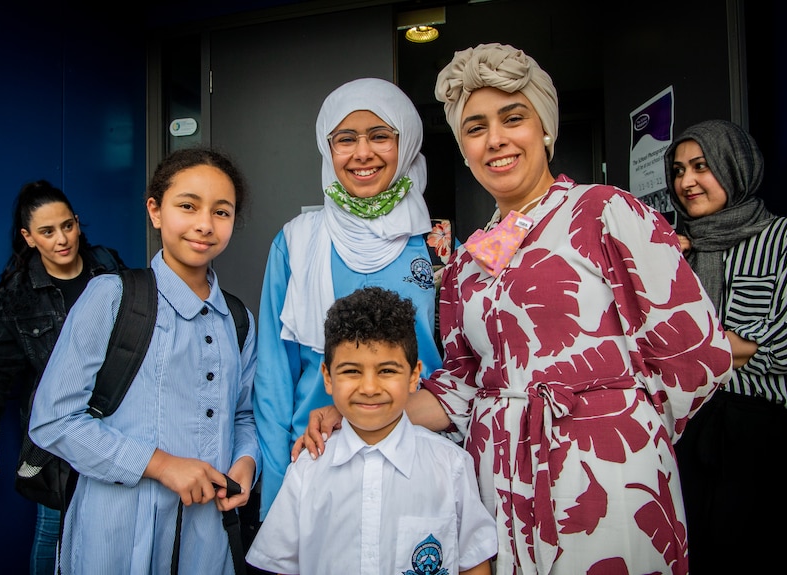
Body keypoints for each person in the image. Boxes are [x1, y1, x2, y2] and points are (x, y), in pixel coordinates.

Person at [296, 43, 734, 575]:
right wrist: (349, 415)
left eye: (513, 117)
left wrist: (623, 436)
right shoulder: (463, 264)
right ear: (463, 147)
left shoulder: (604, 212)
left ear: (545, 128)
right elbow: (460, 390)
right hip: (498, 485)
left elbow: (696, 350)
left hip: (608, 477)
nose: (496, 139)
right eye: (475, 127)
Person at [28, 147, 259, 575]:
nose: (204, 224)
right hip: (116, 531)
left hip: (206, 537)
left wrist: (246, 463)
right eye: (187, 206)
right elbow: (53, 421)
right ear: (155, 210)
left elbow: (244, 414)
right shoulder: (113, 297)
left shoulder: (239, 319)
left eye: (221, 212)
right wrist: (161, 465)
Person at [253, 77, 448, 522]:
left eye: (380, 136)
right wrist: (278, 494)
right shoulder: (296, 242)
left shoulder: (436, 243)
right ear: (328, 149)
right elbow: (274, 376)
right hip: (315, 460)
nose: (363, 153)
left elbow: (458, 366)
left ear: (407, 143)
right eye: (346, 139)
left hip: (416, 456)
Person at [247, 286, 497, 575]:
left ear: (414, 375)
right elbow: (283, 566)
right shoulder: (308, 468)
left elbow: (474, 564)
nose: (368, 388)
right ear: (328, 377)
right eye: (351, 371)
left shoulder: (451, 465)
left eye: (387, 371)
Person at [0, 180, 125, 575]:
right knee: (54, 527)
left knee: (114, 525)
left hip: (119, 420)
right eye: (47, 232)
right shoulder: (19, 292)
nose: (62, 240)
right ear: (28, 237)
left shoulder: (106, 265)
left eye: (67, 226)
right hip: (55, 434)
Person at [664, 119, 787, 574]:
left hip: (758, 429)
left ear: (735, 166)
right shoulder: (672, 250)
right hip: (684, 426)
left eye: (702, 167)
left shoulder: (784, 238)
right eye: (678, 170)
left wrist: (693, 345)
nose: (686, 182)